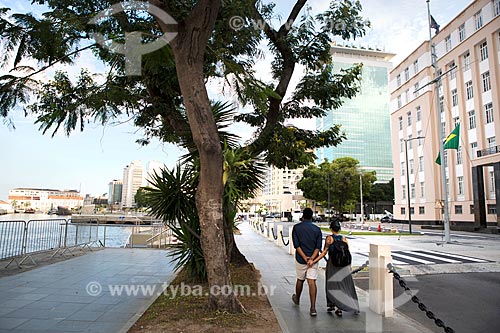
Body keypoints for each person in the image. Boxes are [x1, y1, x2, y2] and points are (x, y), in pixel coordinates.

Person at [310, 219, 359, 317]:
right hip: (343, 265)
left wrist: (314, 260)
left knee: (332, 285)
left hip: (333, 264)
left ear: (331, 229)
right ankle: (341, 307)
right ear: (339, 229)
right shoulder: (344, 239)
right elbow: (348, 253)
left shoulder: (329, 239)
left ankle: (334, 305)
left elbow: (324, 252)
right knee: (342, 285)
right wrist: (350, 266)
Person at [291, 207, 323, 316]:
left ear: (303, 216)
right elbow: (318, 247)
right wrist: (311, 259)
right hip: (313, 260)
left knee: (300, 279)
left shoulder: (296, 228)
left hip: (300, 259)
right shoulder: (317, 229)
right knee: (312, 281)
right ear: (312, 216)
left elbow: (296, 245)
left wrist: (305, 258)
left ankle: (297, 299)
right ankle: (313, 308)